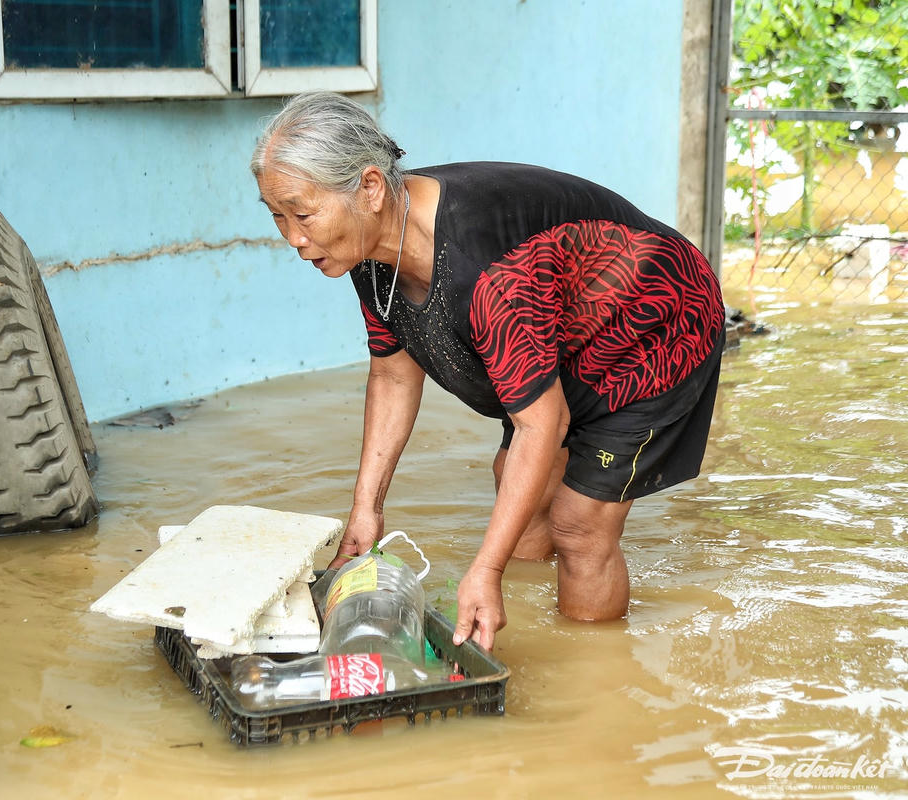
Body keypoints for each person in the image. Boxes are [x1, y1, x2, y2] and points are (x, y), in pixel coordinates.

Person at [251, 92, 725, 651]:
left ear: (370, 188)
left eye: (302, 215)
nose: (293, 239)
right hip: (570, 333)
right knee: (516, 487)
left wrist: (487, 570)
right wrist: (366, 510)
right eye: (278, 216)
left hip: (654, 327)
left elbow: (539, 425)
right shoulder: (370, 243)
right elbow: (394, 375)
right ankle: (531, 630)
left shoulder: (486, 266)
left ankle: (592, 678)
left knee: (579, 524)